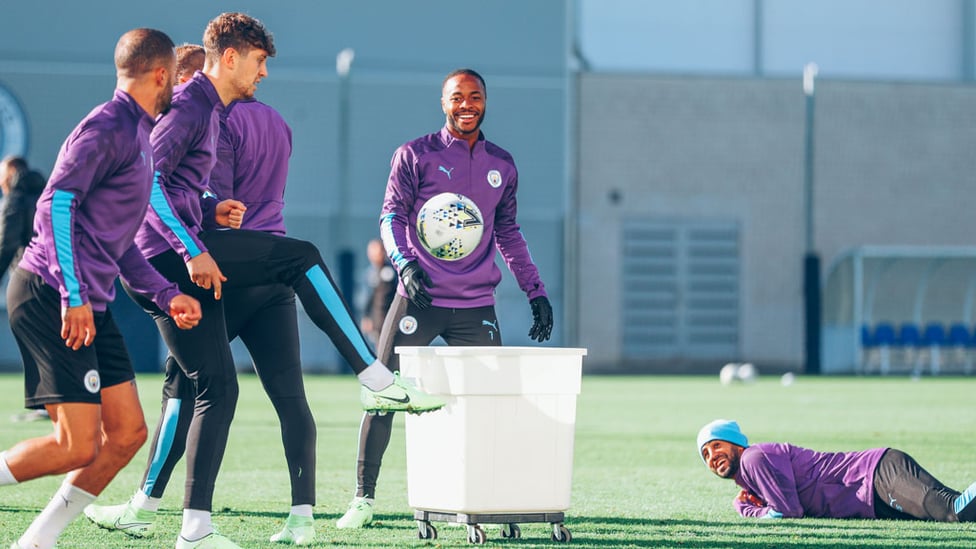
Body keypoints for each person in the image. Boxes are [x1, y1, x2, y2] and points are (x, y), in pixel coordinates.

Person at [85, 13, 441, 549]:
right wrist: (194, 249)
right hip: (165, 261)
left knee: (218, 389)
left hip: (177, 256)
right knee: (303, 256)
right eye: (259, 61)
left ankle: (194, 529)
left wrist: (209, 205)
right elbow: (148, 183)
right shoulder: (190, 105)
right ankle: (373, 376)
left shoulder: (212, 108)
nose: (265, 73)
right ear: (229, 57)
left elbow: (175, 186)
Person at [86, 46, 317, 546]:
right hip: (273, 265)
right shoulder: (277, 122)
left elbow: (178, 191)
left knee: (187, 385)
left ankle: (146, 506)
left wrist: (196, 239)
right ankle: (302, 518)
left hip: (223, 267)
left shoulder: (206, 118)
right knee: (288, 397)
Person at [1, 28, 202, 549]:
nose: (180, 93)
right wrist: (72, 294)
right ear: (162, 75)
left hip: (89, 300)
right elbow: (55, 205)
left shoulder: (140, 136)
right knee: (75, 445)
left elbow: (119, 242)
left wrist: (163, 293)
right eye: (178, 82)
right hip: (52, 294)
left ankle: (37, 541)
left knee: (129, 433)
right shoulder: (109, 124)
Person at [335, 67, 554, 529]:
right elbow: (391, 215)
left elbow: (509, 232)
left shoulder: (503, 165)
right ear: (443, 103)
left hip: (477, 307)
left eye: (475, 96)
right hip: (419, 300)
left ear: (485, 102)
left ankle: (487, 499)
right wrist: (406, 265)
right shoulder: (415, 155)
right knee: (383, 394)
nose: (466, 105)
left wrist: (535, 291)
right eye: (457, 97)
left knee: (488, 405)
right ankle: (364, 499)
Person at [697, 419, 976, 522]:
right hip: (873, 501)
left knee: (956, 511)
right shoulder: (750, 483)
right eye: (705, 455)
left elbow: (787, 512)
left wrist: (749, 510)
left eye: (717, 445)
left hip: (877, 475)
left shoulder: (753, 459)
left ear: (736, 444)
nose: (712, 457)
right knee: (967, 513)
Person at [0, 156, 46, 280]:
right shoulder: (46, 197)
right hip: (54, 280)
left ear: (12, 170)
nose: (1, 182)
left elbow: (7, 246)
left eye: (2, 175)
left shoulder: (15, 200)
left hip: (26, 278)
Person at [358, 238, 397, 346]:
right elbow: (366, 298)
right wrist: (366, 317)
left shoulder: (392, 271)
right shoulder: (369, 274)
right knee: (380, 347)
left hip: (392, 316)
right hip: (377, 319)